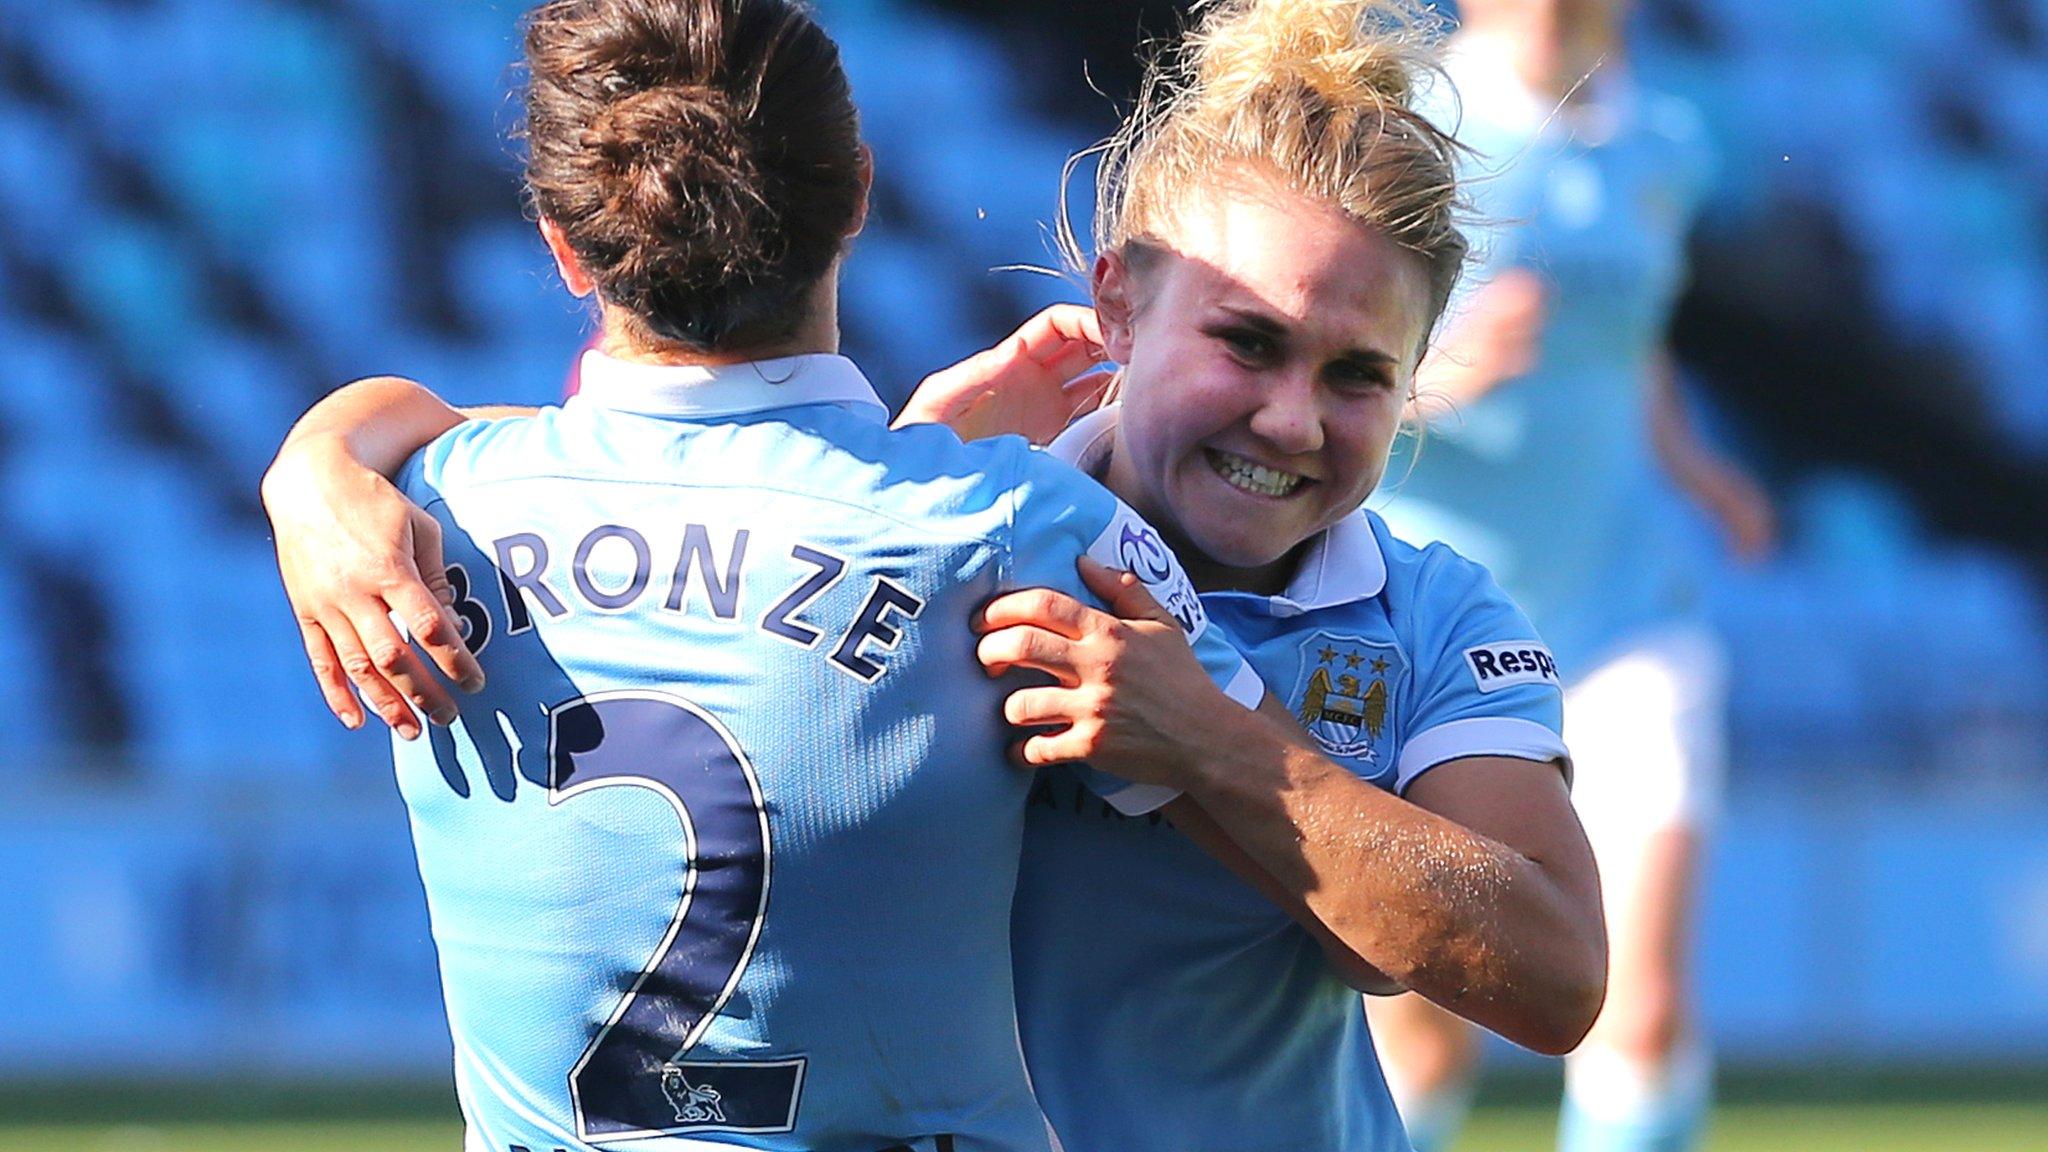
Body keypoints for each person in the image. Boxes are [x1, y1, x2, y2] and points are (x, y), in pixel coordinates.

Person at [266, 1, 1606, 1149]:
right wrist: (315, 468)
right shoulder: (981, 529)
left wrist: (1220, 747)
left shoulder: (1433, 615)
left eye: (1360, 374)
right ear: (1122, 299)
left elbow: (1548, 980)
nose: (1294, 420)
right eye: (1247, 344)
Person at [1364, 2, 1777, 1150]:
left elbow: (1628, 341)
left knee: (1635, 1011)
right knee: (1421, 1033)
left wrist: (1699, 470)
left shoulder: (1662, 140)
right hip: (1432, 636)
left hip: (1626, 616)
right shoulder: (1411, 121)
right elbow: (1326, 360)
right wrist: (1439, 373)